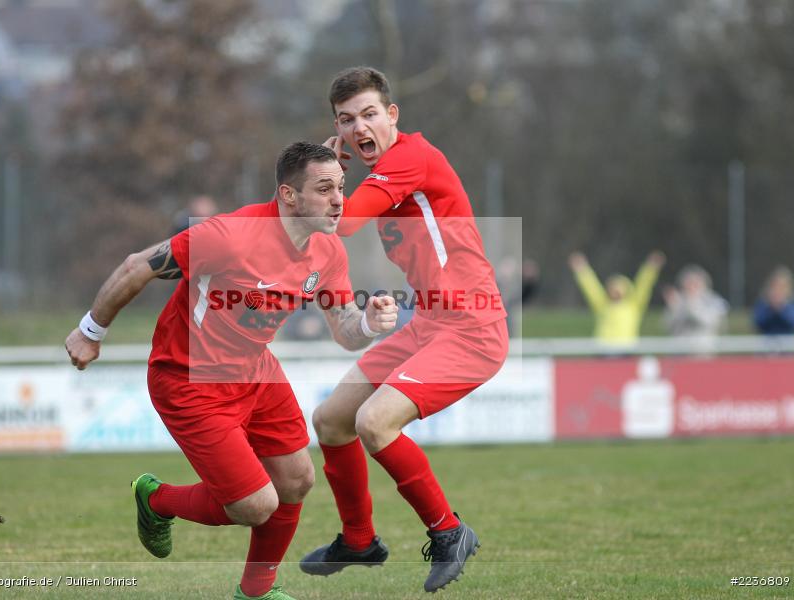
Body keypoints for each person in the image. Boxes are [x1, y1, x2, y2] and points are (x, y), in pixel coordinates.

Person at [64, 142, 398, 600]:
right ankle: (156, 499)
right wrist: (90, 331)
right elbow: (137, 266)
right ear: (288, 195)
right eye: (325, 189)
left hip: (256, 372)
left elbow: (344, 330)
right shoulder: (230, 235)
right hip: (188, 378)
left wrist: (369, 324)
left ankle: (256, 592)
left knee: (297, 480)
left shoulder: (328, 252)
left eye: (341, 187)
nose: (340, 200)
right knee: (256, 505)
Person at [299, 66, 509, 593]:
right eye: (346, 120)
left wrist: (325, 175)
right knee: (331, 420)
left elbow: (344, 221)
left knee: (374, 422)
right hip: (431, 322)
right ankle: (359, 541)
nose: (358, 127)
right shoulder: (384, 170)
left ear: (392, 115)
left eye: (369, 114)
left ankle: (449, 532)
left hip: (471, 327)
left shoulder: (411, 158)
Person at [568, 251, 665, 346]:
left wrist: (651, 268)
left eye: (617, 290)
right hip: (603, 348)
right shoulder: (602, 304)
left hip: (626, 349)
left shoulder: (633, 305)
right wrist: (581, 268)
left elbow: (644, 285)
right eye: (612, 289)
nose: (614, 292)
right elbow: (590, 287)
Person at [663, 264, 728, 349]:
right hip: (680, 350)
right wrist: (673, 308)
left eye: (694, 284)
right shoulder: (678, 300)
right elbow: (668, 326)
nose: (691, 287)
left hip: (704, 350)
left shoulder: (713, 300)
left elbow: (709, 322)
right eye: (688, 284)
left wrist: (692, 304)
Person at [753, 266, 794, 335]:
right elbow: (758, 323)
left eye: (782, 287)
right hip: (766, 339)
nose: (779, 290)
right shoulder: (763, 303)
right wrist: (771, 309)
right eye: (776, 286)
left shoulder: (793, 303)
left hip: (788, 339)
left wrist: (782, 309)